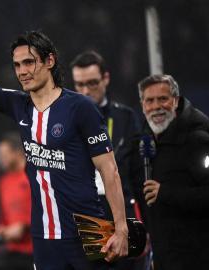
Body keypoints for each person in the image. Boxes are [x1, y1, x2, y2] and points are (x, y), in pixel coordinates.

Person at [0, 7, 128, 270]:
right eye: (17, 65)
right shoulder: (18, 104)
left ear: (49, 61)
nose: (22, 71)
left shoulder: (81, 107)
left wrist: (121, 229)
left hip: (89, 232)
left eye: (29, 62)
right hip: (44, 239)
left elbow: (109, 170)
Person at [130, 74, 209, 269]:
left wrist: (166, 193)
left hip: (199, 259)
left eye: (163, 99)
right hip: (163, 259)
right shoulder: (143, 145)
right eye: (149, 100)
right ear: (142, 105)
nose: (156, 106)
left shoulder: (197, 141)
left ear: (175, 101)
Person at [70, 51, 143, 270]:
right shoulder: (66, 120)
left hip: (122, 210)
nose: (85, 91)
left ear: (106, 79)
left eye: (92, 83)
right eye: (79, 84)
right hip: (87, 214)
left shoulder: (125, 117)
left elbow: (138, 174)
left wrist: (144, 225)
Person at [0, 133, 33, 270]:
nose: (1, 159)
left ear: (17, 152)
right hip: (13, 250)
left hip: (36, 249)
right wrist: (1, 227)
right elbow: (5, 213)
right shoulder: (3, 181)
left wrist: (24, 226)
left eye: (4, 154)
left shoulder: (34, 176)